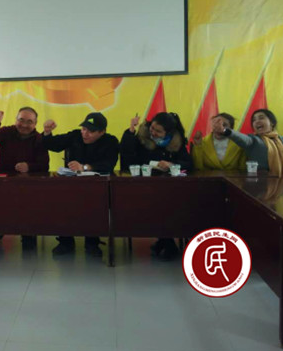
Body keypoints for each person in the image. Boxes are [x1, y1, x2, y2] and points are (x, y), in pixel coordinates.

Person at [42, 112, 119, 257]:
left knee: (94, 209)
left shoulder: (111, 141)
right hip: (72, 185)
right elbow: (52, 144)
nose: (85, 133)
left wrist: (84, 167)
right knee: (63, 205)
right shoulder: (75, 136)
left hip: (96, 187)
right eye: (84, 129)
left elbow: (109, 164)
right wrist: (47, 132)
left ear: (102, 132)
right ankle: (65, 242)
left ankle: (92, 243)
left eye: (91, 131)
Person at [120, 111, 192, 261]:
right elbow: (127, 159)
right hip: (144, 187)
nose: (153, 132)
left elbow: (189, 164)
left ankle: (165, 242)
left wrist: (171, 164)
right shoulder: (142, 138)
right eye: (152, 128)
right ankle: (167, 244)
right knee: (157, 205)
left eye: (158, 131)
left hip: (170, 188)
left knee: (170, 205)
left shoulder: (176, 142)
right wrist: (131, 131)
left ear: (168, 133)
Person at [0, 106, 49, 250]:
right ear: (16, 120)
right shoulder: (7, 132)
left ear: (35, 124)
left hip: (28, 184)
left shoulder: (39, 139)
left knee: (30, 205)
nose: (24, 125)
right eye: (21, 120)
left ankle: (28, 236)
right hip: (5, 182)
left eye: (29, 122)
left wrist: (29, 167)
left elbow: (44, 165)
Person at [216, 108, 283, 192]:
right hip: (263, 189)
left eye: (261, 118)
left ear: (272, 122)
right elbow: (240, 137)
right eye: (254, 120)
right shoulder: (253, 140)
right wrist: (225, 130)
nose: (257, 121)